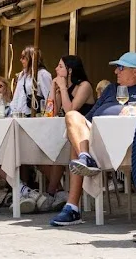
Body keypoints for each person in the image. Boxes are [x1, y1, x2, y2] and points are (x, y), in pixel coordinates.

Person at [49, 52, 136, 226]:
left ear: (135, 71)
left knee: (78, 147)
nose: (116, 72)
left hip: (129, 144)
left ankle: (73, 207)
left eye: (120, 68)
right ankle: (85, 158)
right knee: (73, 116)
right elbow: (89, 115)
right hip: (97, 140)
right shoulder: (110, 89)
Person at [39, 55, 94, 210]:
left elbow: (70, 110)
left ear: (70, 70)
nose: (56, 69)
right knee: (42, 149)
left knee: (59, 148)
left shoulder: (84, 86)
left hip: (83, 135)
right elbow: (50, 112)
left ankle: (52, 192)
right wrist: (53, 88)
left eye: (60, 66)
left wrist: (62, 88)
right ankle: (58, 191)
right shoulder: (62, 88)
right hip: (66, 133)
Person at [9, 46, 52, 117]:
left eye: (23, 58)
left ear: (31, 59)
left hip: (34, 115)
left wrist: (47, 116)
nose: (20, 60)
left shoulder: (43, 74)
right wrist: (12, 112)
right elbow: (16, 96)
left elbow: (48, 97)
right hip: (19, 115)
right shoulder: (22, 75)